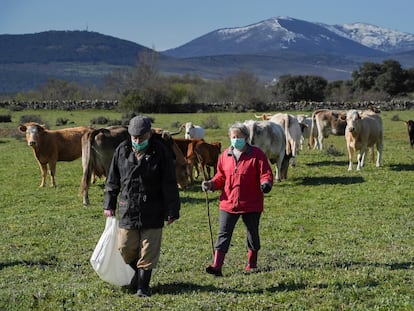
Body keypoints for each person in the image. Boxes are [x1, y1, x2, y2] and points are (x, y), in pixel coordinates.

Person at [103, 115, 180, 297]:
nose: (137, 141)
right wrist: (109, 203)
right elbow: (112, 180)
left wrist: (172, 210)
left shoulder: (161, 152)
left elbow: (169, 183)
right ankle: (137, 274)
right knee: (125, 247)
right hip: (128, 207)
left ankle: (142, 288)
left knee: (148, 249)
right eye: (134, 138)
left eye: (141, 138)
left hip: (154, 208)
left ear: (149, 134)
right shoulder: (122, 150)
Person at [201, 122, 273, 276]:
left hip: (251, 203)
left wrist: (266, 183)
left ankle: (252, 264)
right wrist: (211, 184)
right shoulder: (224, 156)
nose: (236, 139)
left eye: (239, 137)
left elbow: (265, 172)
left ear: (246, 137)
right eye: (233, 137)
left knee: (252, 233)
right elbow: (220, 177)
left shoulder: (257, 154)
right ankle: (217, 266)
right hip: (228, 202)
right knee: (223, 234)